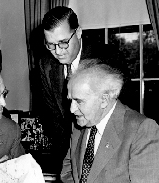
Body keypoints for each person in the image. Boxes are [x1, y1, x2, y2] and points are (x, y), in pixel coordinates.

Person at [55, 59, 159, 183]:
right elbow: (68, 172)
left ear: (104, 100)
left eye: (79, 101)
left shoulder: (142, 129)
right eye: (70, 100)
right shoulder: (80, 126)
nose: (71, 109)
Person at [37, 6, 111, 173]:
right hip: (66, 154)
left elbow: (116, 115)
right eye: (50, 45)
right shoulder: (45, 64)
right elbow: (52, 116)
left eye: (63, 43)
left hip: (105, 152)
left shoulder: (106, 58)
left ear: (78, 32)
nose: (58, 52)